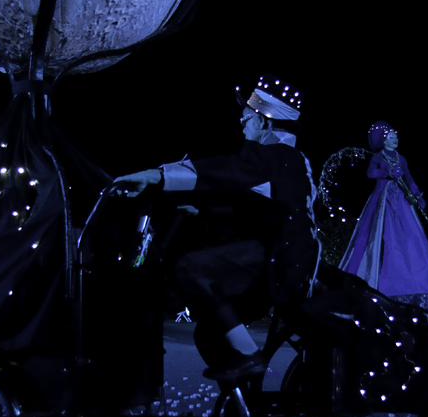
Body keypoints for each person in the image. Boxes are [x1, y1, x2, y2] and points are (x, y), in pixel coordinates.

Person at [114, 75, 321, 381]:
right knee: (209, 333)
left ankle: (249, 356)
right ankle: (245, 404)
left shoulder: (277, 156)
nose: (241, 122)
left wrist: (155, 175)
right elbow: (260, 210)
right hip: (289, 259)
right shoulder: (293, 160)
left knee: (190, 268)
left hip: (281, 261)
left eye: (247, 118)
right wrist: (202, 211)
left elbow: (226, 170)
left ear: (264, 122)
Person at [338, 121, 428, 325]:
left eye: (396, 136)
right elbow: (370, 173)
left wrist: (417, 194)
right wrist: (386, 173)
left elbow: (409, 178)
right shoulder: (378, 156)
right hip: (382, 203)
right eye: (391, 136)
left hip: (402, 204)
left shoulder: (401, 158)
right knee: (383, 239)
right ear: (383, 140)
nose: (395, 139)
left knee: (411, 240)